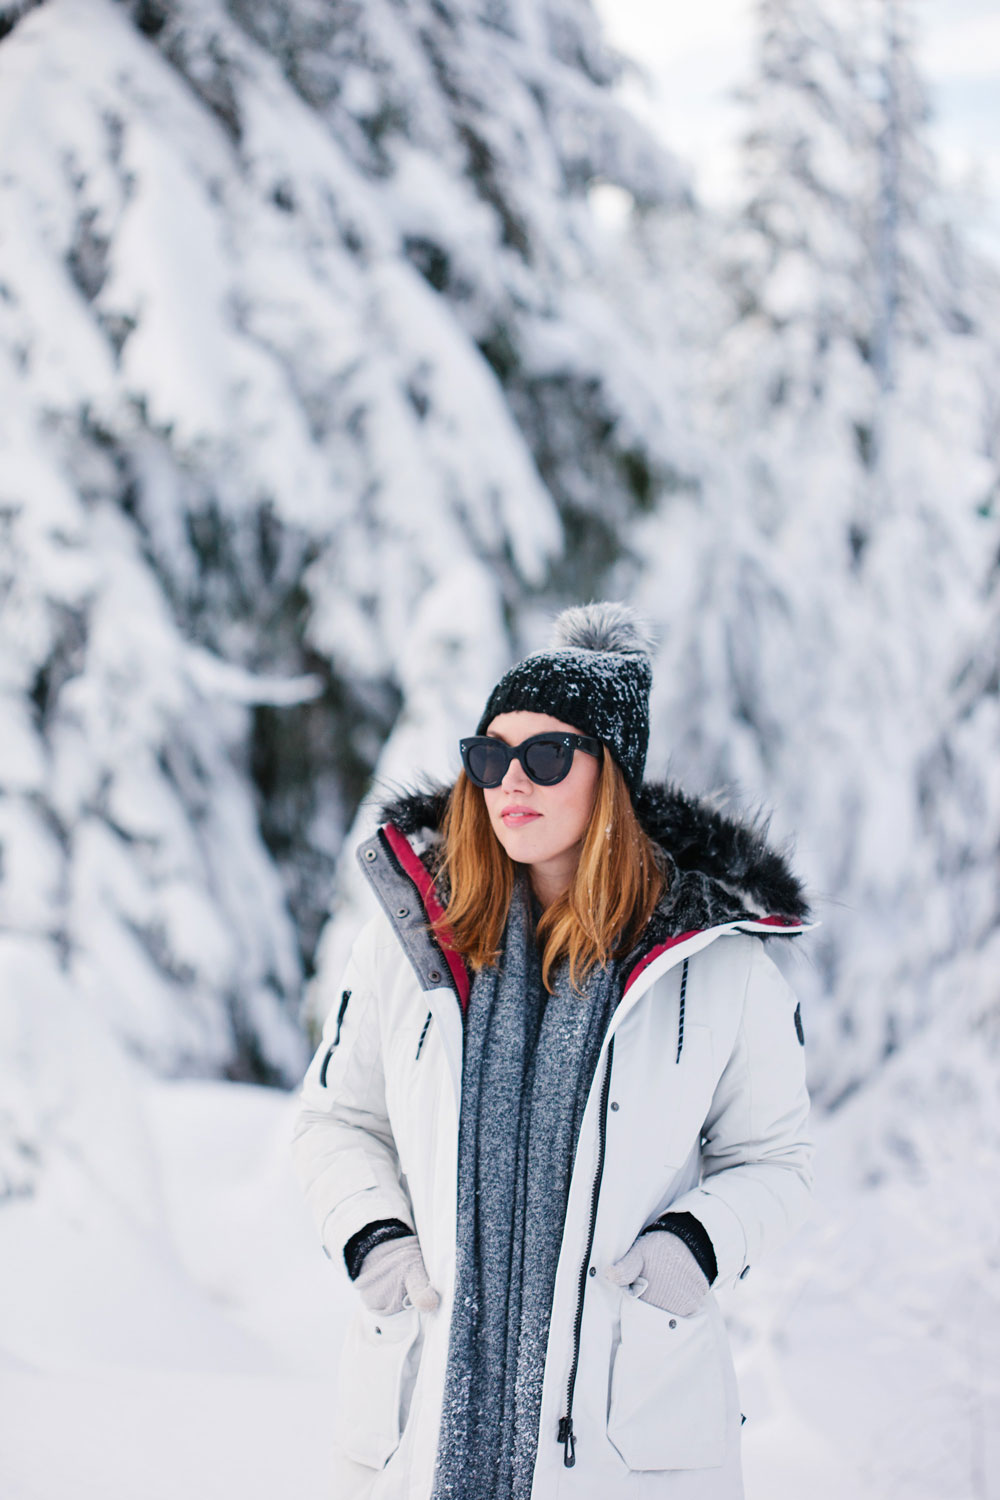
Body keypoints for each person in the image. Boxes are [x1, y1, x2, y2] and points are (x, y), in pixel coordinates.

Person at [291, 601, 814, 1500]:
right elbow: (335, 1120)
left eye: (546, 755)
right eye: (491, 757)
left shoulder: (716, 966)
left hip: (624, 1422)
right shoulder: (415, 940)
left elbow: (777, 1160)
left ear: (611, 774)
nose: (510, 783)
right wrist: (376, 1240)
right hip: (425, 1411)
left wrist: (692, 1247)